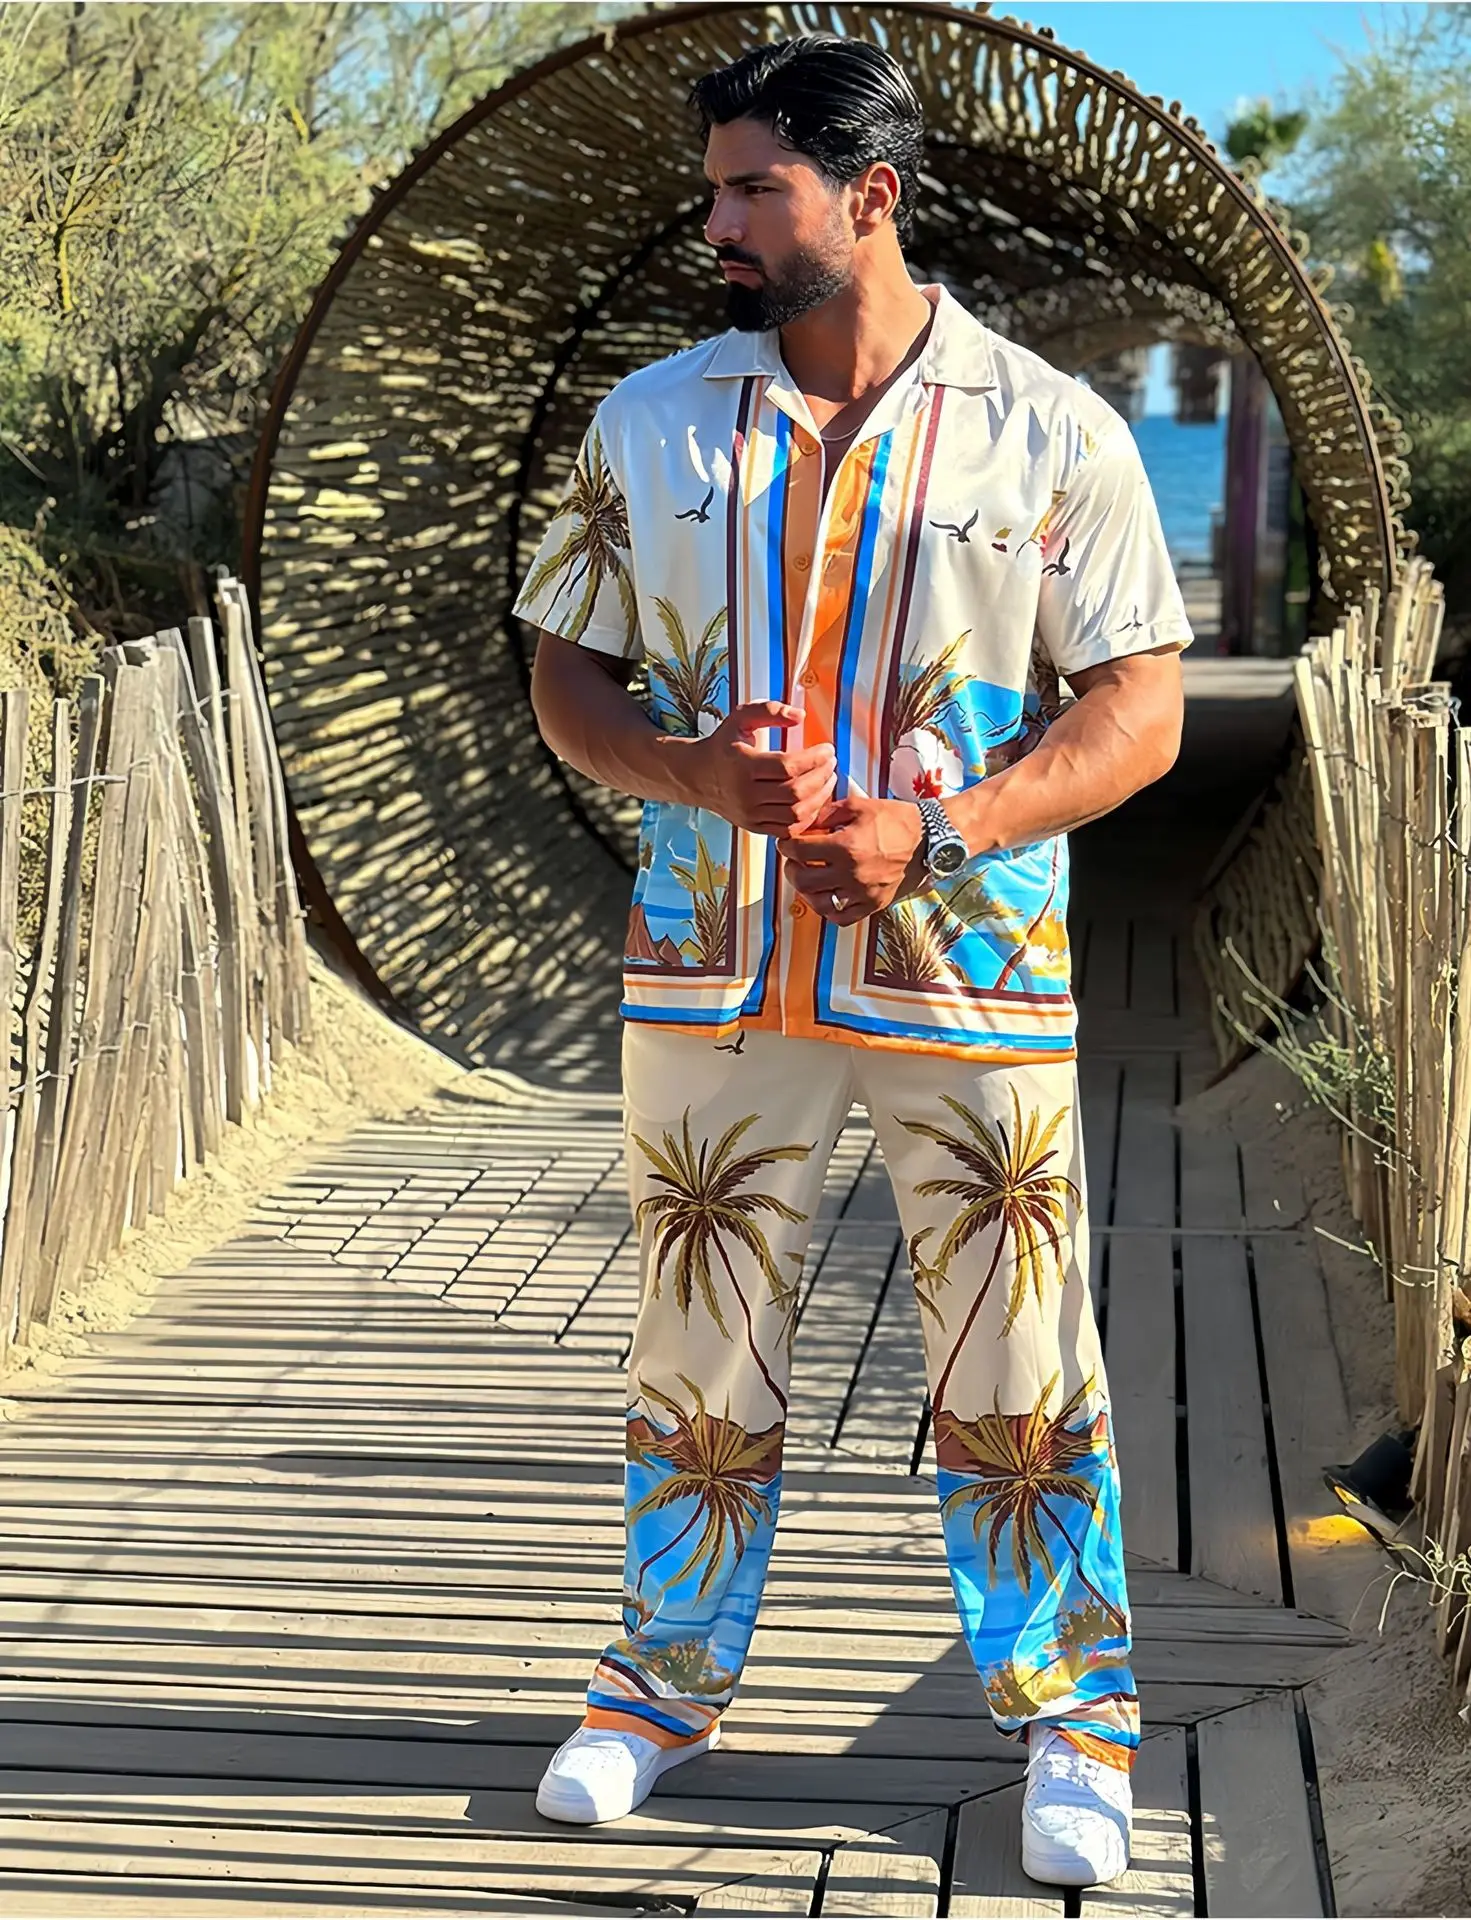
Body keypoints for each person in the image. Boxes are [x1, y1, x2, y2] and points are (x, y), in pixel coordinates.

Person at [518, 32, 1188, 1889]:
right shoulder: (645, 426)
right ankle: (655, 1686)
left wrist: (942, 825)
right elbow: (565, 669)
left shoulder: (1053, 431)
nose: (717, 219)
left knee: (1015, 1334)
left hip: (963, 967)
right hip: (707, 969)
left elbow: (1138, 707)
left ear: (869, 197)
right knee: (696, 1332)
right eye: (714, 184)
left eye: (755, 188)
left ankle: (1072, 1719)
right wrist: (684, 770)